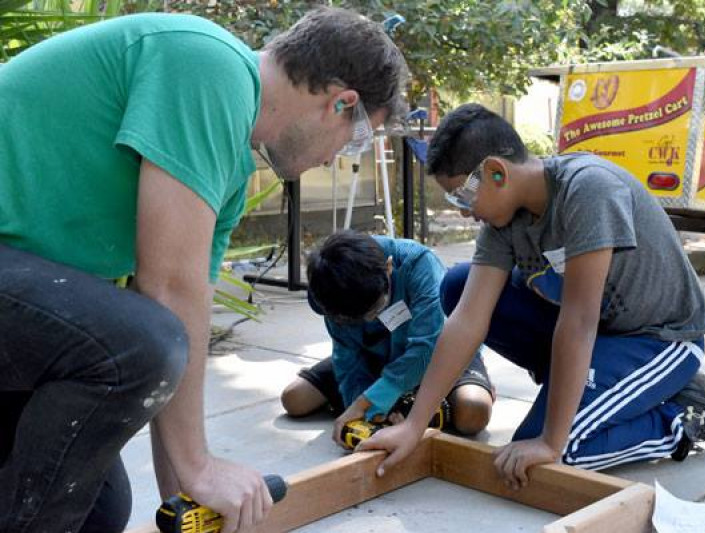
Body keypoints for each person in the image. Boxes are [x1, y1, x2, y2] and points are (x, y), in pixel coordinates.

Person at [0, 7, 407, 533]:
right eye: (354, 140)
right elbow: (165, 292)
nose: (335, 159)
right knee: (139, 346)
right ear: (341, 102)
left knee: (98, 510)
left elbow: (181, 319)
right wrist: (200, 465)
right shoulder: (208, 63)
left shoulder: (229, 177)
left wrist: (184, 494)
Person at [359, 103, 705, 487]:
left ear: (496, 172)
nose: (464, 211)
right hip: (597, 335)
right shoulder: (502, 223)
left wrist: (551, 441)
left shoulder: (589, 191)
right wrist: (414, 426)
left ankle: (687, 416)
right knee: (458, 285)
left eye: (462, 196)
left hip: (659, 338)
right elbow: (467, 320)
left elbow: (579, 322)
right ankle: (596, 389)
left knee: (562, 452)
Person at [281, 230, 494, 446]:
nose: (370, 319)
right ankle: (406, 401)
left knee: (473, 412)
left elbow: (428, 346)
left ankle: (430, 400)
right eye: (356, 319)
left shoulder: (419, 264)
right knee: (295, 398)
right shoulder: (327, 290)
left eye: (376, 308)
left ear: (389, 267)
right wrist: (362, 411)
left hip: (441, 353)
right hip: (373, 356)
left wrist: (370, 400)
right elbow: (347, 358)